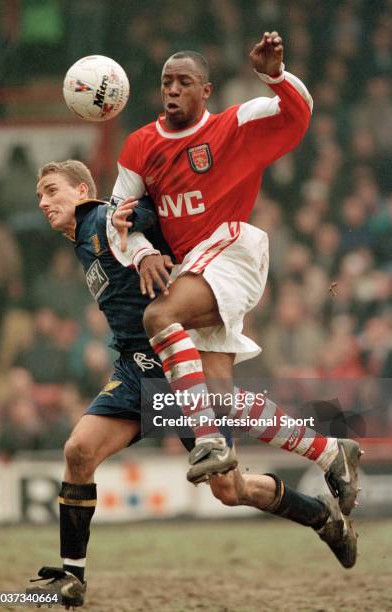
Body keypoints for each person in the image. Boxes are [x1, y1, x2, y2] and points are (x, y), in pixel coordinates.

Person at [28, 161, 358, 608]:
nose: (44, 201)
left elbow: (139, 212)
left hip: (176, 364)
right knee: (78, 452)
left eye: (51, 190)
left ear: (82, 190)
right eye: (39, 195)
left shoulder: (100, 217)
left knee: (231, 490)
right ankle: (72, 578)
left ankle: (323, 506)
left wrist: (135, 217)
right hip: (133, 370)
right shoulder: (82, 240)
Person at [109, 33, 362, 493]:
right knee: (221, 399)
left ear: (206, 90)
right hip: (194, 269)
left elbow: (299, 114)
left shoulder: (234, 126)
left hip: (232, 250)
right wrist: (142, 250)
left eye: (184, 82)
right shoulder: (141, 146)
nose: (172, 90)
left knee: (159, 315)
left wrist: (275, 77)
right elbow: (116, 218)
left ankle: (206, 441)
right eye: (167, 82)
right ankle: (330, 452)